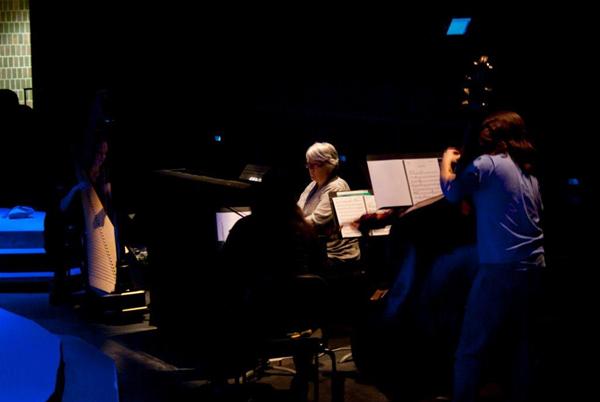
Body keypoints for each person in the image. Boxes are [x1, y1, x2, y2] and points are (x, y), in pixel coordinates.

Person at [440, 110, 545, 402]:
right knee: (524, 347)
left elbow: (451, 191)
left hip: (501, 269)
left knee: (471, 346)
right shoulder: (527, 169)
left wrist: (447, 161)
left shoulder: (488, 164)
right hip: (534, 266)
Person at [220, 167, 327, 401]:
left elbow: (227, 275)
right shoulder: (307, 232)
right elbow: (320, 276)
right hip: (303, 325)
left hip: (259, 323)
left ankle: (229, 380)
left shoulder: (246, 229)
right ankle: (302, 373)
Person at [45, 128, 114, 304]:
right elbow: (60, 207)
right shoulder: (73, 173)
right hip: (63, 223)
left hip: (88, 223)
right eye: (99, 153)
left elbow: (104, 205)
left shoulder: (103, 173)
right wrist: (76, 189)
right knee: (68, 239)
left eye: (105, 154)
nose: (102, 158)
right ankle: (66, 282)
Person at [297, 142, 361, 268]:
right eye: (308, 165)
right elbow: (297, 211)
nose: (310, 169)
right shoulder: (312, 185)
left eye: (314, 165)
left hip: (334, 256)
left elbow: (315, 222)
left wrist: (285, 226)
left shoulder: (336, 186)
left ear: (329, 164)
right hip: (316, 250)